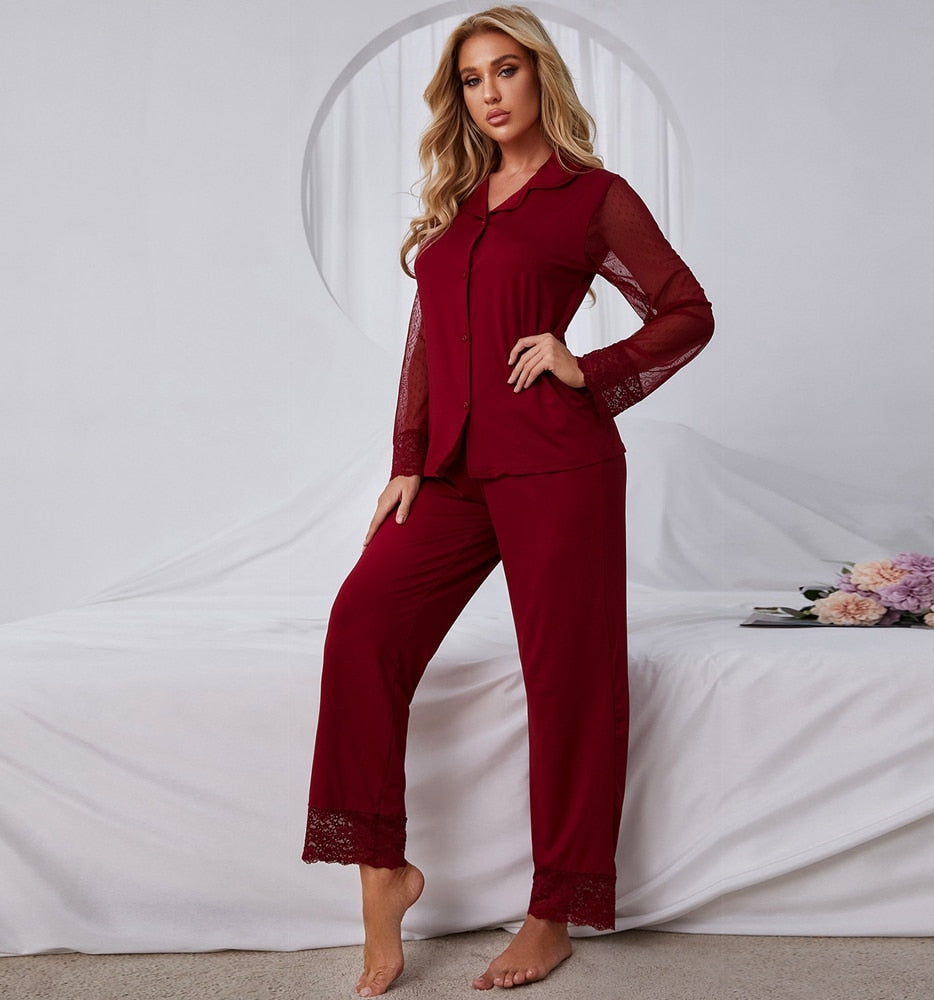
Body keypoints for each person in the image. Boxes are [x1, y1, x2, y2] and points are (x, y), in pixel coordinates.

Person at [303, 5, 714, 994]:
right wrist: (407, 458)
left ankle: (551, 913)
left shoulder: (591, 196)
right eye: (471, 78)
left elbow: (688, 311)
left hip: (558, 466)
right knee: (362, 624)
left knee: (568, 680)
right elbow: (425, 343)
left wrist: (588, 365)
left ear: (540, 78)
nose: (489, 92)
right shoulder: (458, 206)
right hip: (452, 472)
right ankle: (383, 872)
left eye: (506, 71)